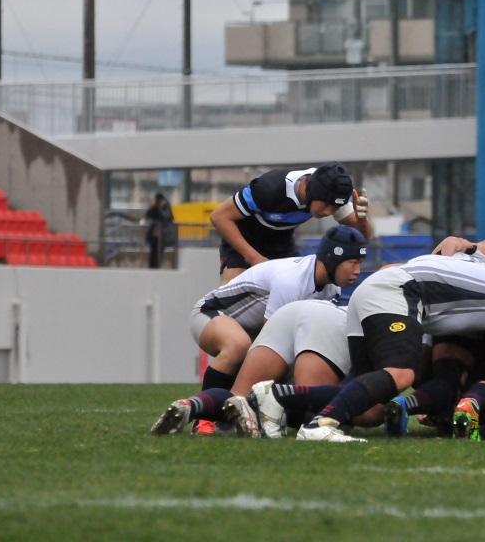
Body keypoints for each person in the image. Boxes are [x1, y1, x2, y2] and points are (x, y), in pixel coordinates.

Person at [296, 251, 485, 443]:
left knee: (370, 406)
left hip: (384, 292)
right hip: (400, 293)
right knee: (401, 374)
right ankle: (318, 425)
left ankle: (277, 397)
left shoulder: (481, 284)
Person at [189, 225, 366, 435]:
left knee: (291, 380)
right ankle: (204, 420)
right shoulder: (292, 281)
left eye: (360, 263)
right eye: (353, 263)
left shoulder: (331, 286)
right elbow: (270, 339)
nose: (358, 271)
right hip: (212, 312)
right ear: (332, 259)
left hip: (251, 328)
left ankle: (252, 414)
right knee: (239, 346)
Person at [151, 299, 351, 438]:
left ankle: (192, 405)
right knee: (327, 409)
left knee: (238, 398)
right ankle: (271, 404)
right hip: (329, 323)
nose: (357, 270)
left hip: (289, 313)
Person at [210, 163, 371, 283]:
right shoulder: (268, 189)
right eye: (326, 205)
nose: (329, 212)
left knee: (297, 294)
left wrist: (362, 218)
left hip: (281, 244)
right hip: (244, 242)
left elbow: (363, 236)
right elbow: (219, 217)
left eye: (335, 207)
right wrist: (255, 258)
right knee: (233, 292)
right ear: (311, 191)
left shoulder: (331, 192)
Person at [144, 193, 173, 269]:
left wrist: (165, 207)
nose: (158, 202)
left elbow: (169, 218)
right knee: (153, 253)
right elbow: (147, 216)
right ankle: (152, 267)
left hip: (162, 235)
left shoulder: (165, 208)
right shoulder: (154, 209)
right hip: (153, 236)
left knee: (159, 254)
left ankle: (156, 267)